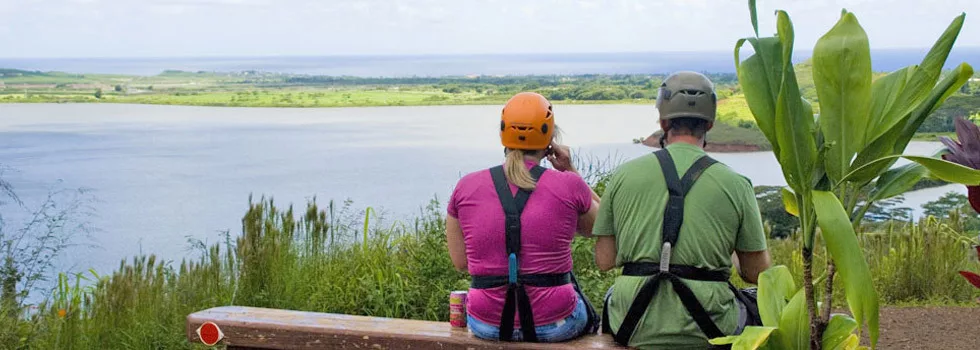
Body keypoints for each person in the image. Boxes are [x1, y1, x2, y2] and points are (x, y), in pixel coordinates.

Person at [593, 71, 772, 349]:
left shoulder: (623, 176)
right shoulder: (736, 184)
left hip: (633, 324)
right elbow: (757, 272)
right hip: (712, 327)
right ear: (709, 124)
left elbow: (605, 260)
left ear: (663, 122)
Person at [445, 92, 602, 342]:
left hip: (487, 322)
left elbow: (461, 262)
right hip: (557, 321)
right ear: (550, 139)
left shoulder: (466, 187)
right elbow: (605, 223)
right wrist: (571, 170)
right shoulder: (568, 185)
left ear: (502, 136)